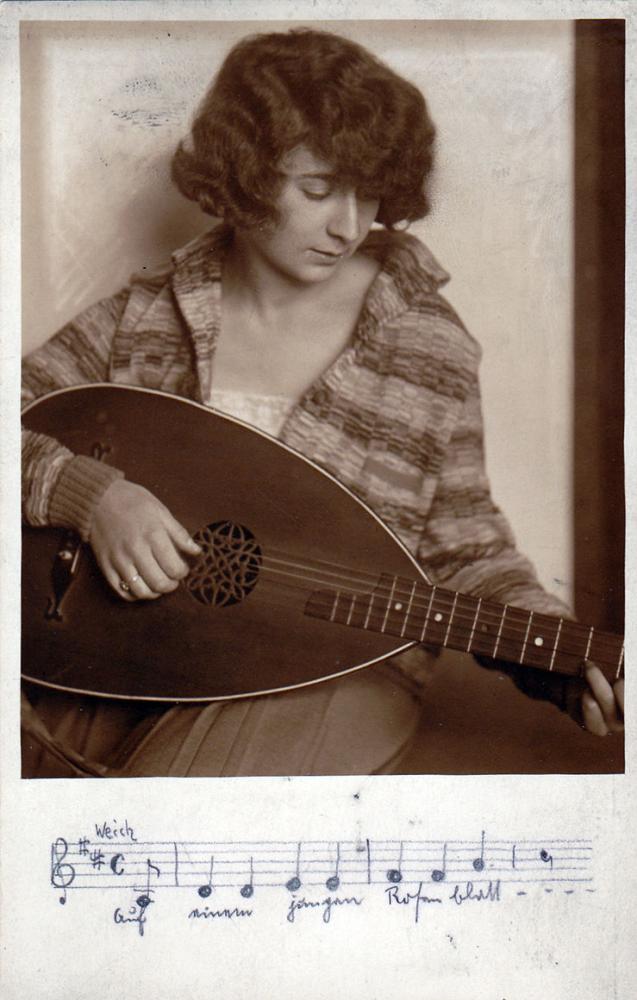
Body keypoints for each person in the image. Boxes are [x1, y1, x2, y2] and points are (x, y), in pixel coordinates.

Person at [21, 28, 623, 778]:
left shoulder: (426, 345)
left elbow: (464, 550)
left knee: (157, 810)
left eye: (368, 193)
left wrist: (557, 660)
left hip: (335, 675)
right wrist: (92, 497)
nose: (348, 225)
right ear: (243, 173)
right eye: (317, 190)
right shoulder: (151, 311)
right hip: (138, 650)